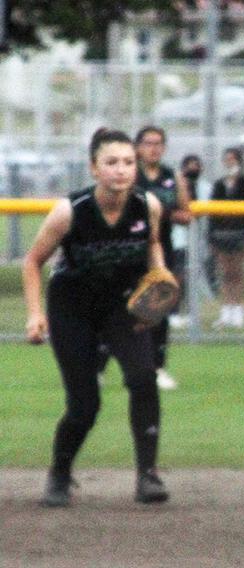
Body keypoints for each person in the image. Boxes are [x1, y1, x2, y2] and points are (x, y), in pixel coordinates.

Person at [22, 127, 170, 507]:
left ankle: (147, 476)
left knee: (143, 378)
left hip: (121, 306)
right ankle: (59, 473)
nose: (121, 170)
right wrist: (36, 315)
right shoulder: (70, 211)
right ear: (93, 168)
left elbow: (152, 244)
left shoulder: (147, 206)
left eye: (128, 162)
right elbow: (33, 261)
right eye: (111, 162)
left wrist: (159, 281)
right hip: (71, 309)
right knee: (84, 404)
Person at [133, 125, 191, 389]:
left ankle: (157, 367)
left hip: (161, 251)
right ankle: (97, 366)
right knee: (118, 308)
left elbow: (186, 214)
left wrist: (167, 213)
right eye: (148, 143)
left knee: (158, 310)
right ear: (138, 146)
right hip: (130, 248)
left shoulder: (172, 176)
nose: (153, 148)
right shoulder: (129, 173)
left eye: (158, 143)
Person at [208, 147, 244, 329]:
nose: (229, 162)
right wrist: (211, 237)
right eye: (226, 159)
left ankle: (238, 311)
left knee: (237, 273)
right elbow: (212, 213)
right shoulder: (219, 185)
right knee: (225, 273)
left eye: (233, 159)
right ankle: (225, 311)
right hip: (221, 236)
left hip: (240, 235)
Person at [169, 154, 215, 328]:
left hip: (197, 241)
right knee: (176, 277)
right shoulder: (175, 187)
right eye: (189, 166)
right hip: (178, 239)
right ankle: (172, 312)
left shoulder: (205, 188)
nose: (193, 169)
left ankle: (190, 312)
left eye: (196, 165)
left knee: (192, 278)